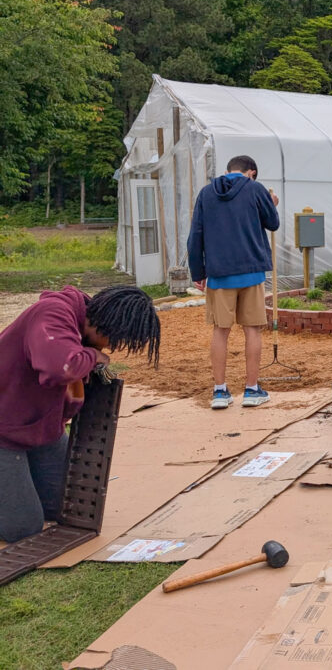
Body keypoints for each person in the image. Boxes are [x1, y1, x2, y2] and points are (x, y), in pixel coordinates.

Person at [0, 285, 160, 542]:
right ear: (107, 326)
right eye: (114, 341)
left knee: (69, 507)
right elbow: (59, 367)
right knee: (23, 528)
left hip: (38, 429)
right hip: (3, 432)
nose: (111, 348)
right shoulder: (53, 314)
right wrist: (92, 355)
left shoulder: (78, 329)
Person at [188, 155, 280, 409]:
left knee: (220, 331)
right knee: (252, 330)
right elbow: (273, 223)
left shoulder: (207, 194)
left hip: (219, 273)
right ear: (250, 172)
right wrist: (272, 205)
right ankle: (251, 390)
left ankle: (220, 392)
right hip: (251, 272)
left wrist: (198, 272)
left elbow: (196, 233)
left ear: (228, 171)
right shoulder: (255, 190)